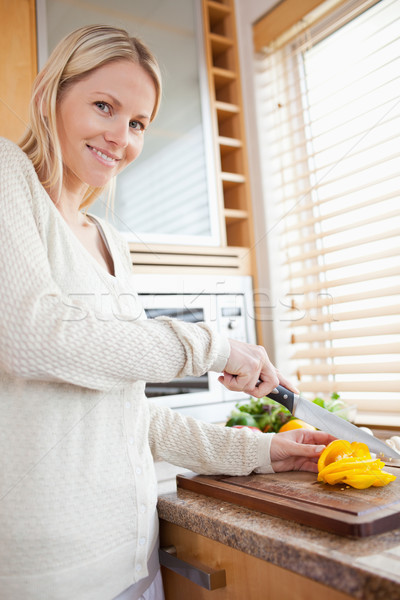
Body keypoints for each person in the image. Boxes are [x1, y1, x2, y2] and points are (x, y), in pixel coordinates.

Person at [0, 25, 336, 600]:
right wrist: (212, 345)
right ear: (50, 94)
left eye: (137, 124)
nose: (120, 137)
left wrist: (260, 451)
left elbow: (127, 417)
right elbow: (35, 337)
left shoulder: (109, 240)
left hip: (135, 560)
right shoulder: (9, 177)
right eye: (103, 106)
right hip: (48, 575)